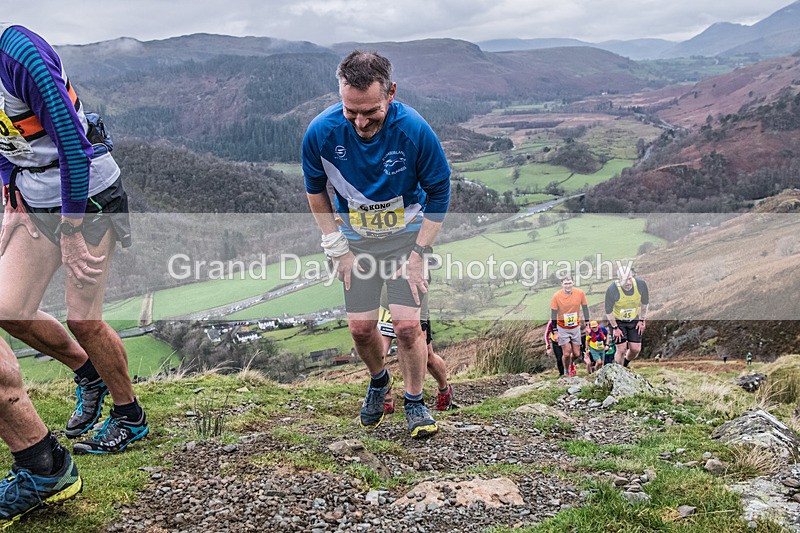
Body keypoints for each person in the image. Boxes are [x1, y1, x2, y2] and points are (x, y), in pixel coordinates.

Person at [0, 24, 148, 456]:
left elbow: (73, 144)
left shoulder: (20, 53)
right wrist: (10, 191)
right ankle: (88, 372)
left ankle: (129, 416)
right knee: (8, 309)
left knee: (84, 319)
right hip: (34, 197)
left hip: (89, 196)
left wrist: (70, 231)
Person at [303, 51, 450, 438]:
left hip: (407, 241)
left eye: (371, 112)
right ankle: (379, 380)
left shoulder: (414, 130)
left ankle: (415, 403)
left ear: (391, 93)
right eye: (351, 111)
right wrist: (337, 247)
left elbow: (440, 193)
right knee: (361, 330)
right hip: (356, 244)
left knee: (407, 327)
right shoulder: (320, 133)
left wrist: (419, 255)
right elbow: (315, 192)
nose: (361, 122)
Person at [378, 285, 454, 414]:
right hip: (384, 303)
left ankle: (444, 390)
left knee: (428, 357)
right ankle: (386, 399)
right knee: (379, 355)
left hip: (411, 302)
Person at [605, 267, 649, 368]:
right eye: (624, 280)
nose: (628, 283)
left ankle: (624, 364)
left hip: (633, 319)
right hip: (617, 321)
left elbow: (645, 304)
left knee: (635, 349)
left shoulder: (641, 285)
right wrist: (615, 328)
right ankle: (618, 371)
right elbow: (608, 311)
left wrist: (642, 320)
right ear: (619, 279)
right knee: (621, 349)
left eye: (629, 279)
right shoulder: (612, 289)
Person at [550, 276, 590, 377]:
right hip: (562, 327)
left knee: (576, 354)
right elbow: (553, 314)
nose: (568, 286)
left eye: (569, 283)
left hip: (575, 327)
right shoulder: (556, 296)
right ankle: (566, 371)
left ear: (573, 283)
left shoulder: (580, 293)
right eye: (565, 284)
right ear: (562, 284)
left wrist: (587, 325)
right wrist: (555, 331)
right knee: (567, 353)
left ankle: (572, 364)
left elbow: (585, 308)